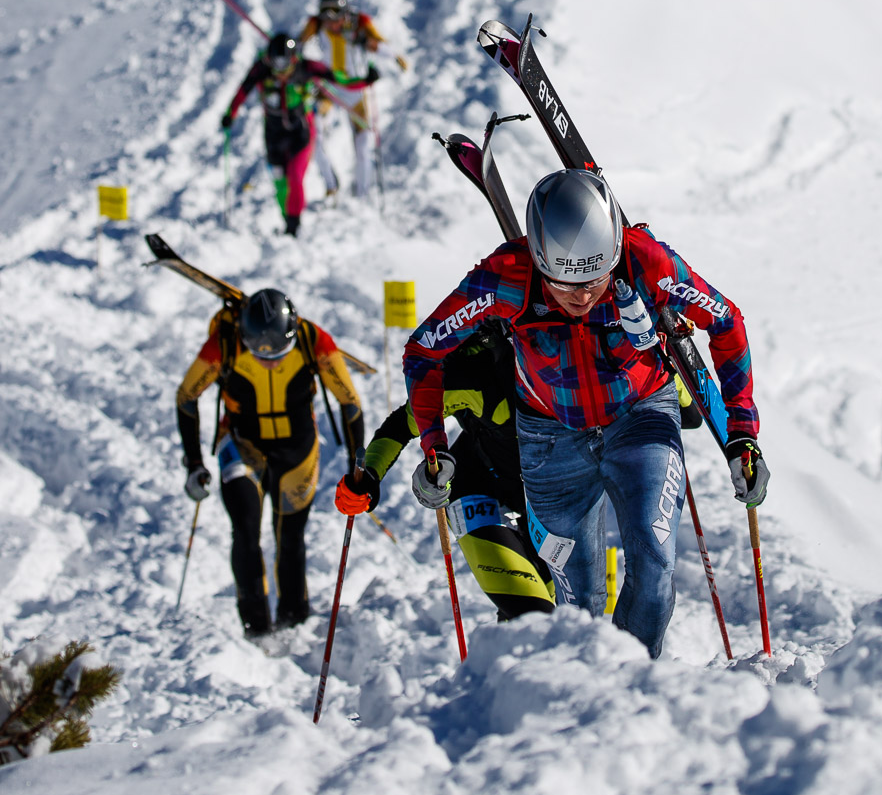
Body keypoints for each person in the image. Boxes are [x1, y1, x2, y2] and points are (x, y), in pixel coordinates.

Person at [403, 169, 767, 658]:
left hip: (640, 413)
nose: (582, 296)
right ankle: (588, 688)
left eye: (596, 280)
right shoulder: (503, 278)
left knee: (654, 563)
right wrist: (433, 445)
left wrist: (742, 431)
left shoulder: (646, 262)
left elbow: (725, 321)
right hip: (549, 435)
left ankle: (634, 683)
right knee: (577, 593)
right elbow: (425, 349)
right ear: (538, 261)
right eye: (564, 284)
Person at [177, 288, 365, 636]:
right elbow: (187, 396)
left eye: (280, 353)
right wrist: (194, 462)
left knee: (290, 537)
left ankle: (294, 621)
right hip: (242, 445)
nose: (270, 361)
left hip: (298, 452)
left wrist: (360, 467)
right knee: (246, 529)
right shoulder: (225, 342)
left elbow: (350, 401)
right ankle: (256, 626)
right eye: (259, 354)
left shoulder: (313, 339)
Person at [338, 320, 556, 619]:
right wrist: (369, 477)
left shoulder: (572, 366)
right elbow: (402, 424)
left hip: (544, 499)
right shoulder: (475, 376)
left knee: (558, 612)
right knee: (535, 614)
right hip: (474, 484)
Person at [221, 31, 377, 235]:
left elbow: (339, 79)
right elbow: (243, 90)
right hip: (273, 134)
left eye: (284, 64)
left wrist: (365, 80)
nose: (279, 70)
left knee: (295, 177)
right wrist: (230, 114)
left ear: (293, 60)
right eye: (274, 63)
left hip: (301, 132)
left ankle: (293, 228)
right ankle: (287, 219)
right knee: (279, 182)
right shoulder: (262, 69)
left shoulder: (306, 68)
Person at [299, 0, 388, 195]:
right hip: (328, 88)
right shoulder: (317, 25)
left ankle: (362, 194)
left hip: (354, 91)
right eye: (326, 17)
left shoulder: (357, 27)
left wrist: (372, 59)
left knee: (364, 145)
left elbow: (381, 46)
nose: (331, 23)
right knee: (314, 135)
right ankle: (331, 185)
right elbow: (298, 45)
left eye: (335, 17)